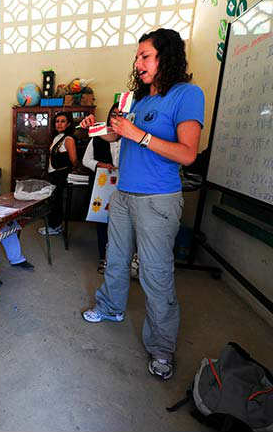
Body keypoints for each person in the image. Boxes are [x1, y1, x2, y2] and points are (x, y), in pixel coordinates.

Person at [80, 29, 204, 381]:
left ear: (167, 57)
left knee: (155, 273)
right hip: (124, 195)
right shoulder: (134, 98)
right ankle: (111, 308)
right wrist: (95, 129)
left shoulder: (187, 95)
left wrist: (141, 136)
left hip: (158, 200)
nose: (138, 63)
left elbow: (188, 153)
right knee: (115, 260)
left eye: (145, 56)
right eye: (138, 57)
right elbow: (114, 134)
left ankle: (162, 347)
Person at [82, 103, 122, 274]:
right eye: (114, 114)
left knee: (122, 224)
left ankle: (122, 260)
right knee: (103, 222)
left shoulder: (132, 137)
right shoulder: (98, 136)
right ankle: (104, 258)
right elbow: (86, 160)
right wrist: (101, 164)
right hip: (104, 185)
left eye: (121, 114)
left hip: (125, 185)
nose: (117, 117)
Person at [38, 112, 78, 236]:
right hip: (53, 173)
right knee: (53, 200)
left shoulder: (68, 139)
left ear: (68, 124)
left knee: (56, 201)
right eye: (57, 121)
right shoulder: (57, 137)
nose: (59, 124)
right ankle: (55, 225)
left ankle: (55, 227)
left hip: (60, 174)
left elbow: (74, 160)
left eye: (63, 121)